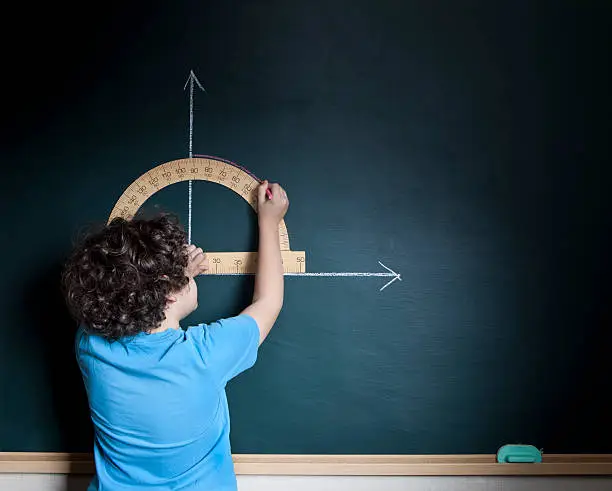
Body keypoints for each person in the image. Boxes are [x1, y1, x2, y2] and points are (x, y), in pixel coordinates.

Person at [62, 180, 289, 490]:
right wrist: (270, 220)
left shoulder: (90, 346)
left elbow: (114, 297)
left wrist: (169, 282)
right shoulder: (205, 355)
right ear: (168, 294)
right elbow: (268, 302)